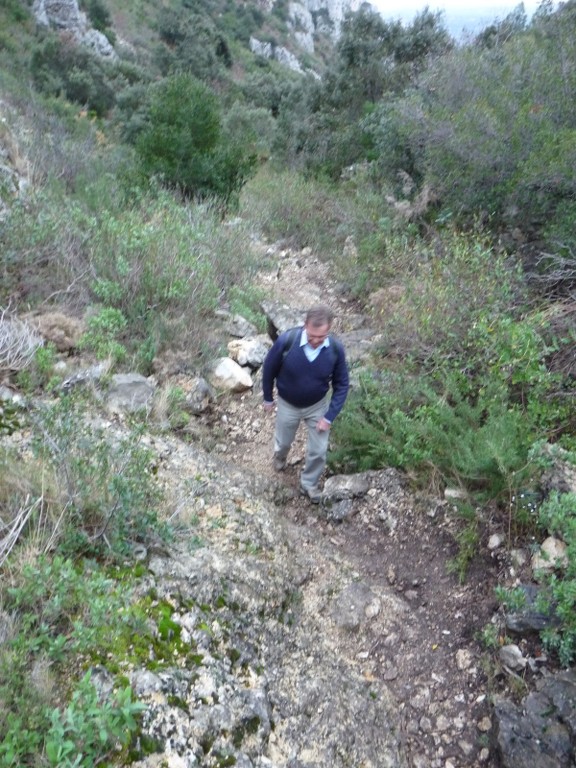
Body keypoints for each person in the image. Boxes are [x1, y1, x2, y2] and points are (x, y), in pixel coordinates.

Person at [262, 305, 349, 503]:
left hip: (317, 405)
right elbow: (269, 369)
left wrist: (329, 416)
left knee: (318, 450)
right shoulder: (287, 341)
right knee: (283, 441)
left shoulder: (335, 349)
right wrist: (268, 397)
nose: (317, 340)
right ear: (305, 326)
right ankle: (280, 457)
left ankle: (308, 483)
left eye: (322, 336)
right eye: (312, 336)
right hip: (287, 403)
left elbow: (342, 384)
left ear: (329, 330)